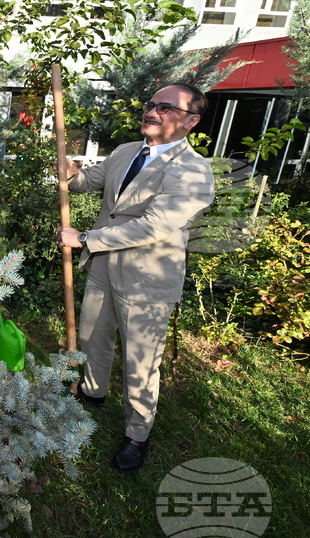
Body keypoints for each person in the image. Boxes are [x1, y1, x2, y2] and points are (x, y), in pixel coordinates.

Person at [58, 83, 215, 475]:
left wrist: (85, 239)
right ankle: (92, 392)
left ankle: (137, 435)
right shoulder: (126, 152)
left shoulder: (193, 171)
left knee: (140, 361)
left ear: (190, 120)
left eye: (166, 107)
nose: (152, 111)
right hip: (104, 268)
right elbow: (83, 183)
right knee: (95, 335)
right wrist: (69, 169)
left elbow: (153, 227)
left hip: (147, 278)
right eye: (151, 104)